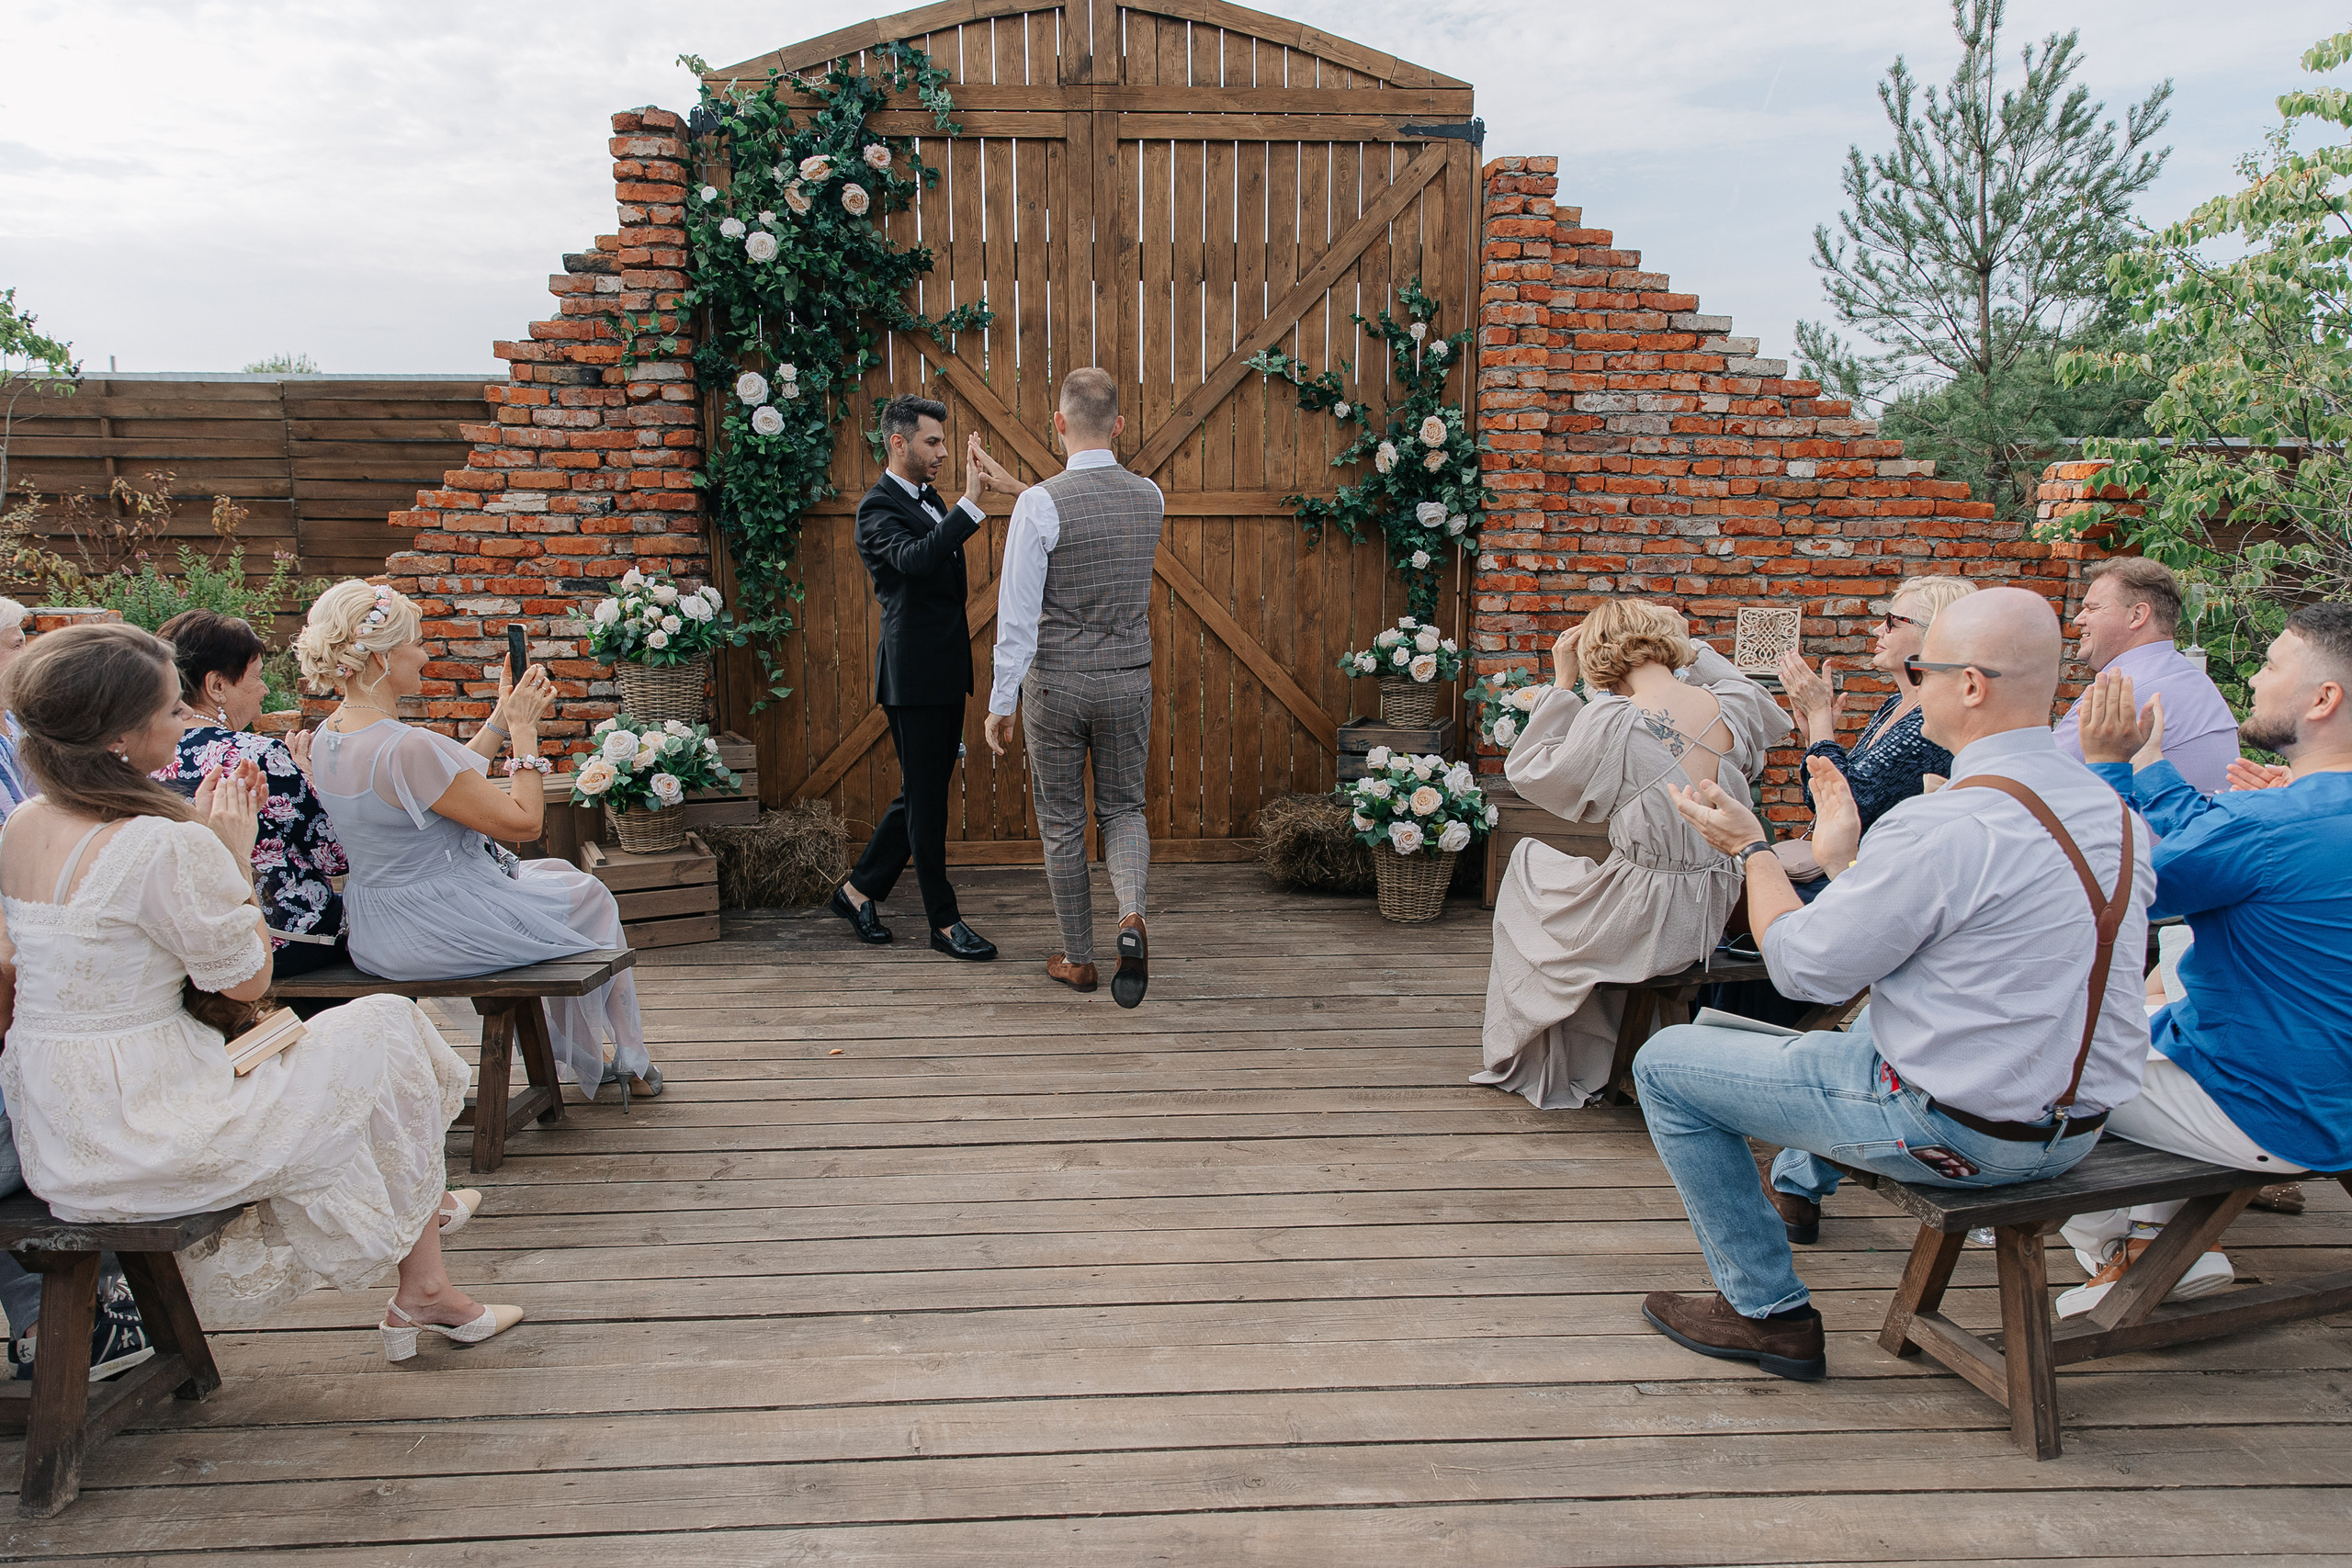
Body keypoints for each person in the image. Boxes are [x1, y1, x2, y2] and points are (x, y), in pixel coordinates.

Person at [1634, 588, 2154, 1381]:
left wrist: (1753, 849)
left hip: (1961, 1134)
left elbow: (1803, 965)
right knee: (1742, 1039)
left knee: (1666, 1063)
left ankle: (1765, 1310)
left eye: (1924, 668)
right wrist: (1847, 860)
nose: (1915, 683)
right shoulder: (2113, 812)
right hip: (2074, 1123)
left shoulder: (1948, 821)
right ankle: (1786, 1172)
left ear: (1971, 685)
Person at [0, 622, 517, 1359]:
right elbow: (247, 980)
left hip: (58, 1124)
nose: (182, 722)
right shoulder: (162, 841)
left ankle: (424, 1263)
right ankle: (423, 1271)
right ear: (120, 732)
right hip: (148, 1126)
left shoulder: (23, 823)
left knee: (374, 1034)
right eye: (171, 709)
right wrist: (231, 856)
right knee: (387, 1026)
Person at [2052, 603, 2352, 1316]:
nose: (2253, 676)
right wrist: (2152, 765)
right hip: (2325, 1085)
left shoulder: (2268, 823)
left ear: (2323, 698)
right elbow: (2217, 844)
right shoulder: (2281, 816)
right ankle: (2160, 1238)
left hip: (2275, 1112)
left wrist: (2110, 769)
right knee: (2166, 1018)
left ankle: (2119, 1247)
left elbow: (2117, 892)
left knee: (2027, 1067)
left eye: (2272, 662)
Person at [296, 581, 660, 1101]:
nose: (424, 655)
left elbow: (446, 781)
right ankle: (625, 1058)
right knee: (589, 896)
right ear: (379, 658)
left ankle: (595, 1056)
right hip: (437, 926)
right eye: (416, 643)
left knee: (559, 881)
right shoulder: (406, 746)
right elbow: (524, 823)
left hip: (378, 930)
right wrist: (524, 731)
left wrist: (498, 714)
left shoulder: (330, 734)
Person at [1476, 599, 1792, 1109]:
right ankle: (1614, 1049)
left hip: (1647, 911)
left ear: (1598, 656)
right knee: (1571, 883)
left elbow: (1532, 770)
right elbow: (1753, 693)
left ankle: (1562, 1048)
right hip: (1709, 905)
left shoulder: (1612, 719)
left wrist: (1561, 681)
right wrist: (1688, 645)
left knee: (1529, 868)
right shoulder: (1733, 704)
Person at [972, 369, 1165, 1007]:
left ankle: (1080, 959)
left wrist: (1002, 701)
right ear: (1119, 424)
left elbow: (1019, 615)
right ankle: (1130, 914)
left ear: (1058, 423)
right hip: (1127, 680)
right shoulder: (1150, 497)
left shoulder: (1040, 504)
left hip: (1056, 685)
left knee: (1062, 822)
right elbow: (1095, 516)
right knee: (1124, 809)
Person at [830, 394, 998, 963]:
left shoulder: (928, 498)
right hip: (915, 678)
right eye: (932, 441)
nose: (943, 453)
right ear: (897, 442)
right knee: (927, 803)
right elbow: (919, 561)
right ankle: (944, 923)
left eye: (944, 442)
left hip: (945, 671)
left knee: (919, 795)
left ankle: (857, 892)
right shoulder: (876, 509)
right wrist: (972, 506)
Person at [153, 610, 352, 998]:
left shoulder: (148, 754)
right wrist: (308, 775)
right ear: (216, 686)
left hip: (188, 940)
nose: (264, 690)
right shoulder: (257, 754)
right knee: (391, 926)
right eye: (257, 676)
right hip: (284, 938)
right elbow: (336, 858)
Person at [1772, 575, 1975, 886]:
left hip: (1886, 880)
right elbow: (1842, 788)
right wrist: (1816, 735)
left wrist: (1819, 717)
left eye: (1892, 622)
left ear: (1932, 635)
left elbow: (1846, 806)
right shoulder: (1897, 704)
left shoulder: (1929, 721)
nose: (1878, 629)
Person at [2052, 558, 2238, 793]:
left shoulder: (2130, 688)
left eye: (2092, 608)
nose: (2078, 619)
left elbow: (2040, 772)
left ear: (2138, 615)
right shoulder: (2189, 676)